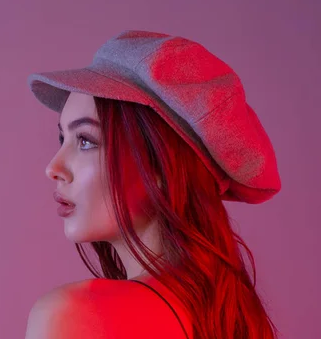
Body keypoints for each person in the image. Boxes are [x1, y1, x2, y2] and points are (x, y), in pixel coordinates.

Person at [24, 30, 281, 338]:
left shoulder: (72, 315)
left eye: (86, 141)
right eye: (62, 138)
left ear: (161, 166)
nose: (54, 168)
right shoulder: (233, 318)